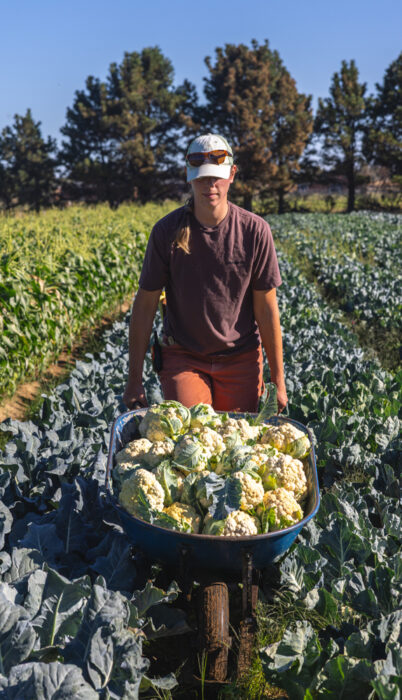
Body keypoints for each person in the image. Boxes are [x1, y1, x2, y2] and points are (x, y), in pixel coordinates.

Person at [123, 133, 288, 413]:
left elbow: (267, 307)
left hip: (241, 358)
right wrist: (134, 379)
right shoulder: (166, 232)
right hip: (184, 357)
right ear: (189, 177)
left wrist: (279, 382)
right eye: (201, 177)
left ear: (232, 174)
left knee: (236, 443)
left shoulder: (255, 231)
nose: (209, 185)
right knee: (194, 435)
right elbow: (145, 304)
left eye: (216, 177)